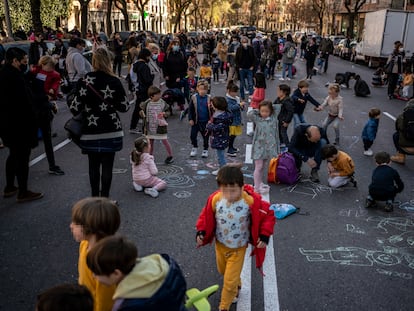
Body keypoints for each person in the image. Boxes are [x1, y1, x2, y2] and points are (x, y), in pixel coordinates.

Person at [195, 165, 275, 311]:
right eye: (225, 190)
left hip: (238, 248)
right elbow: (205, 216)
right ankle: (237, 284)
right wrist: (201, 231)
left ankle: (224, 306)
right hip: (220, 245)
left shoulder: (250, 201)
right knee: (223, 271)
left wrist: (264, 235)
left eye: (233, 191)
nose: (230, 195)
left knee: (229, 281)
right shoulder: (215, 199)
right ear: (219, 188)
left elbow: (268, 215)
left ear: (242, 187)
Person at [68, 47, 129, 198]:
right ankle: (105, 199)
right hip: (111, 129)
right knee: (108, 167)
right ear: (109, 61)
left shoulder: (84, 81)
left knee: (93, 167)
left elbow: (75, 108)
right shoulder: (114, 81)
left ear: (93, 61)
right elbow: (124, 107)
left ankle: (94, 199)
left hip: (90, 131)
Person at [86, 236, 187, 311]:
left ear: (116, 273)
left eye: (97, 273)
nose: (94, 276)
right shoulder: (165, 265)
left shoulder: (127, 305)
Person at [0, 47, 43, 203]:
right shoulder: (15, 78)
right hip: (19, 125)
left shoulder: (4, 75)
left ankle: (10, 186)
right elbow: (25, 103)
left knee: (13, 155)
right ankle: (23, 191)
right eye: (23, 61)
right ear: (15, 61)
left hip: (7, 125)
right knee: (22, 158)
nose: (25, 63)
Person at [70, 197, 120, 311]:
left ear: (90, 228)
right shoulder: (84, 244)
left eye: (76, 223)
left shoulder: (103, 264)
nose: (71, 226)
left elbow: (105, 303)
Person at [30, 55, 64, 175]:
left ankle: (52, 165)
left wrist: (52, 91)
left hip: (44, 107)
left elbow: (55, 86)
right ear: (43, 64)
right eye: (49, 66)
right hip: (35, 107)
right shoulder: (35, 72)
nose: (51, 68)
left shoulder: (55, 75)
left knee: (47, 139)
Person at [247, 100, 280, 193]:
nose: (264, 113)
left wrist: (269, 107)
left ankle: (259, 182)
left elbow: (278, 107)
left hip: (268, 147)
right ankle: (256, 188)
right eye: (262, 111)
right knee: (259, 166)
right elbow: (249, 114)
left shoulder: (273, 118)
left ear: (271, 111)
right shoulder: (258, 119)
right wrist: (258, 110)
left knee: (262, 166)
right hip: (259, 146)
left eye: (266, 111)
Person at [139, 86, 174, 164]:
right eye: (157, 94)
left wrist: (164, 114)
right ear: (151, 96)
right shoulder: (147, 103)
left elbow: (168, 111)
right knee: (150, 142)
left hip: (160, 126)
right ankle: (150, 157)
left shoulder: (162, 103)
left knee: (165, 140)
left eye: (159, 94)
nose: (159, 96)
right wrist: (142, 114)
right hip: (150, 126)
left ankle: (170, 155)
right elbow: (142, 111)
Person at [129, 48, 154, 134]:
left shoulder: (134, 65)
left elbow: (130, 78)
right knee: (143, 108)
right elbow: (147, 79)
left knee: (138, 108)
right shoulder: (144, 66)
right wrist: (152, 77)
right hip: (145, 90)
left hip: (138, 88)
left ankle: (134, 125)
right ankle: (141, 127)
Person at [206, 97, 233, 175]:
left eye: (212, 105)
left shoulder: (220, 116)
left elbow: (217, 128)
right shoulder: (226, 113)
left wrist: (209, 125)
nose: (211, 106)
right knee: (220, 155)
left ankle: (223, 171)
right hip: (223, 138)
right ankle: (222, 169)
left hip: (220, 139)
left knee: (220, 156)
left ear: (216, 106)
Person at [188, 80, 212, 158]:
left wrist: (212, 120)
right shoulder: (194, 97)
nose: (202, 91)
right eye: (201, 89)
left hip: (206, 122)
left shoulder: (209, 98)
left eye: (204, 89)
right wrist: (190, 119)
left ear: (207, 90)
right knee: (193, 135)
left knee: (205, 136)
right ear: (197, 89)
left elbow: (212, 110)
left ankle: (205, 149)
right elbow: (190, 109)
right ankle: (194, 147)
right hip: (196, 122)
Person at [390, 99, 414, 164]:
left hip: (406, 147)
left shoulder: (402, 117)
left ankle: (401, 157)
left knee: (396, 135)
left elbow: (397, 128)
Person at [226, 82, 245, 156]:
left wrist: (242, 106)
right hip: (232, 121)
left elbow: (240, 108)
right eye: (234, 92)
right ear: (229, 91)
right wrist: (239, 105)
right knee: (232, 135)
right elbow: (231, 108)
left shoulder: (236, 98)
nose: (235, 93)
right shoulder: (228, 100)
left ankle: (232, 147)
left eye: (236, 92)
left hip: (236, 120)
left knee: (234, 135)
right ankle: (229, 149)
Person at [235, 36, 255, 100]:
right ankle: (242, 97)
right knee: (242, 84)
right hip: (242, 68)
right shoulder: (239, 49)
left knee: (250, 83)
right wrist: (239, 67)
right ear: (241, 42)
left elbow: (254, 58)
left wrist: (252, 66)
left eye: (246, 42)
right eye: (243, 42)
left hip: (249, 68)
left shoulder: (251, 48)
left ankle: (251, 96)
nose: (245, 43)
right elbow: (236, 59)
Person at [274, 84, 294, 149]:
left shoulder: (287, 101)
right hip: (279, 119)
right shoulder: (278, 99)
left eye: (279, 91)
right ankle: (281, 143)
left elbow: (290, 112)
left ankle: (288, 146)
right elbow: (273, 105)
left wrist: (287, 121)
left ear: (284, 92)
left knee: (283, 133)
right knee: (279, 132)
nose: (277, 92)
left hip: (283, 120)